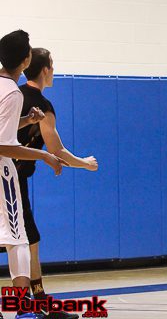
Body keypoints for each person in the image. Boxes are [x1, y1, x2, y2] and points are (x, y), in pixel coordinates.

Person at [10, 47, 98, 319]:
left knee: (25, 240)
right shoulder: (42, 106)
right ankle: (31, 305)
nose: (54, 70)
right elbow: (56, 150)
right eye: (52, 64)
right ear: (45, 69)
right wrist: (85, 163)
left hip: (11, 177)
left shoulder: (14, 95)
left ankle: (35, 303)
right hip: (10, 180)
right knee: (26, 242)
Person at [0, 30, 64, 319]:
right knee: (18, 240)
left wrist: (26, 120)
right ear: (26, 60)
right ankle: (23, 309)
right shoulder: (12, 92)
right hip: (2, 174)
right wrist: (44, 155)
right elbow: (3, 145)